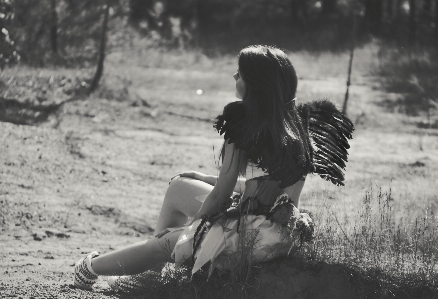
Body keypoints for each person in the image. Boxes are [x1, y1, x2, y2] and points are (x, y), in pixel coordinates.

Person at [73, 45, 354, 291]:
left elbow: (221, 194)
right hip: (281, 233)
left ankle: (88, 268)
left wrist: (191, 233)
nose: (235, 76)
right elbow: (266, 188)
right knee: (180, 185)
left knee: (162, 244)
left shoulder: (243, 120)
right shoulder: (297, 127)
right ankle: (153, 275)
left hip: (249, 235)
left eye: (240, 73)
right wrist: (203, 177)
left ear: (256, 83)